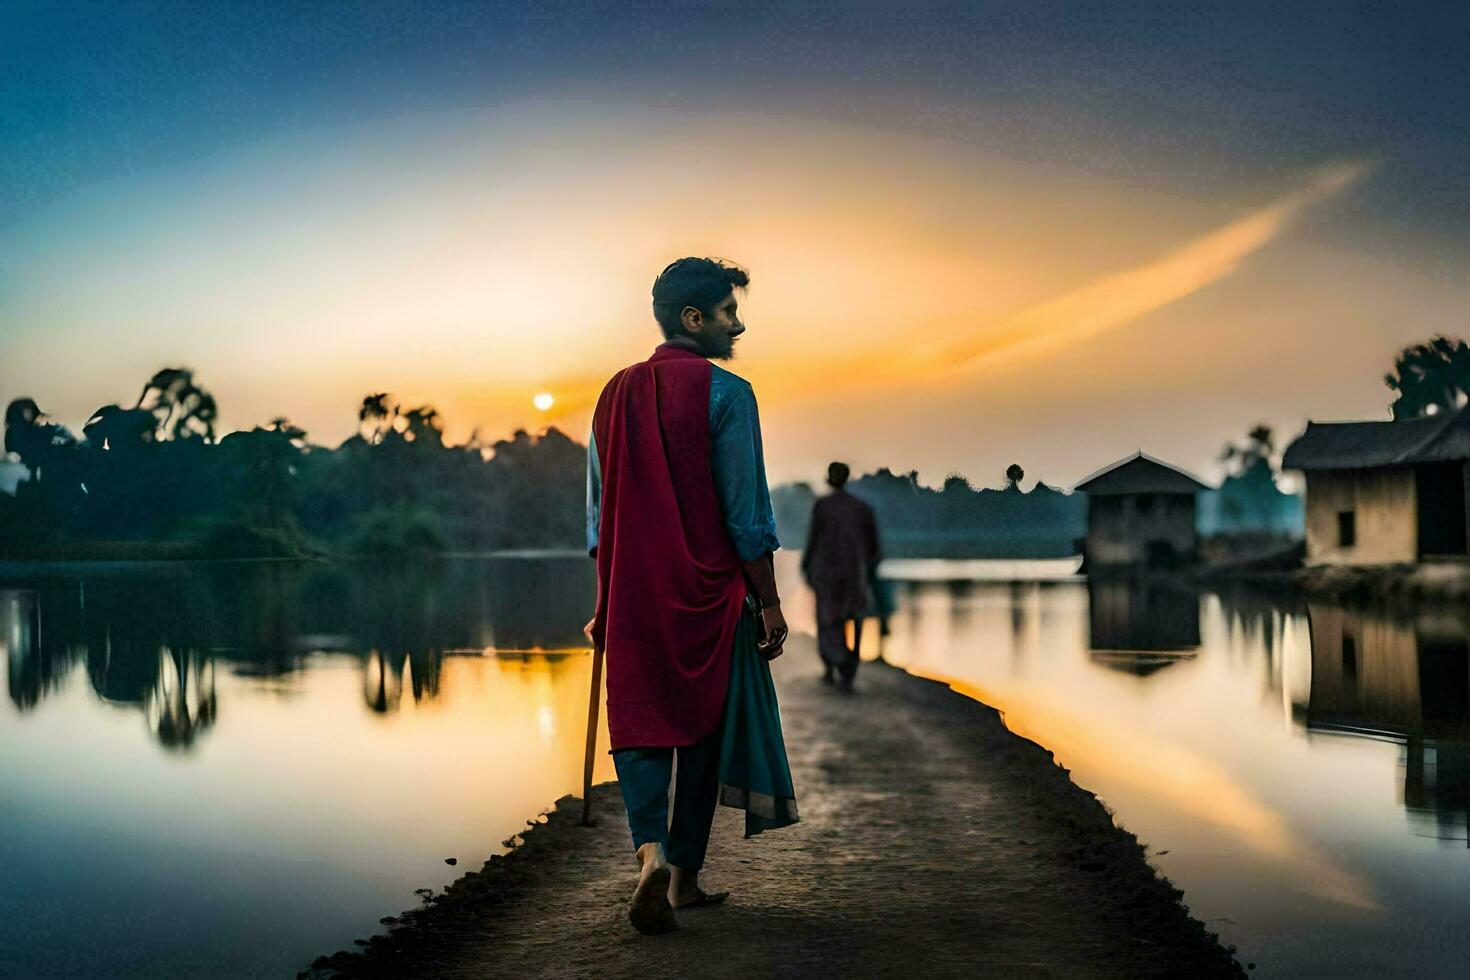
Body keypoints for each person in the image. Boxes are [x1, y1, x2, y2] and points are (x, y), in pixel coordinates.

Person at [584, 257, 794, 936]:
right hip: (708, 594)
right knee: (701, 733)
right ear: (694, 319)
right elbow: (747, 516)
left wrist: (603, 599)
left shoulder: (611, 395)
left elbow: (599, 519)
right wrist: (769, 602)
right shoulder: (729, 394)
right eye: (729, 311)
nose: (739, 323)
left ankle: (649, 855)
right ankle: (683, 882)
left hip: (633, 596)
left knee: (641, 727)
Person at [801, 461, 880, 688]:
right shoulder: (862, 508)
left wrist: (806, 566)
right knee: (854, 618)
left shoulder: (822, 506)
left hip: (826, 573)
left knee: (827, 619)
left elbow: (812, 540)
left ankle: (831, 665)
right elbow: (874, 548)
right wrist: (869, 571)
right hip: (853, 574)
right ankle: (850, 663)